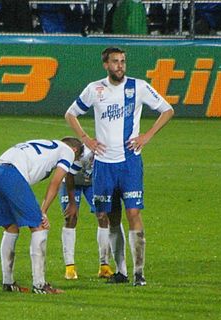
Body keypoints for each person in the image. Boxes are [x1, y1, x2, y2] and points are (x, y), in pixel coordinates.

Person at [65, 47, 174, 286]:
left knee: (133, 213)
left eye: (123, 61)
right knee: (110, 217)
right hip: (104, 165)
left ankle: (139, 273)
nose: (120, 66)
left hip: (130, 162)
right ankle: (122, 271)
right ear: (106, 64)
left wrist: (147, 135)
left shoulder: (139, 87)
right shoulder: (95, 89)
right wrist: (86, 139)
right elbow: (70, 114)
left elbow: (167, 109)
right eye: (115, 62)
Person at [0, 137, 83, 294]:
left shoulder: (49, 145)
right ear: (74, 151)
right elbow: (56, 182)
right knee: (39, 226)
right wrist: (43, 211)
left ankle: (8, 282)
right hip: (13, 174)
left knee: (11, 228)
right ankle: (40, 285)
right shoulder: (67, 151)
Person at [56, 145, 123, 280]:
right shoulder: (84, 155)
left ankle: (104, 266)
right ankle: (70, 267)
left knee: (103, 216)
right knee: (71, 217)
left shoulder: (112, 155)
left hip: (93, 183)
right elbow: (69, 175)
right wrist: (72, 203)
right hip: (71, 181)